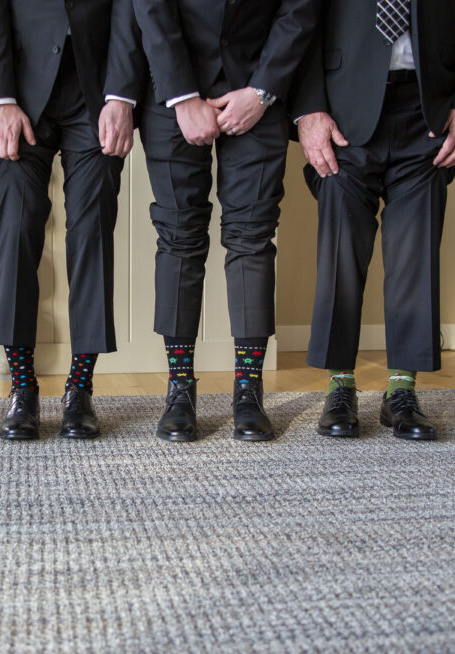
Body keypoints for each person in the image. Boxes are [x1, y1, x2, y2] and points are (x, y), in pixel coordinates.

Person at [291, 0, 455, 440]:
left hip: (430, 105)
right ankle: (340, 386)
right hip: (341, 104)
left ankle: (402, 389)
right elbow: (302, 14)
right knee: (341, 250)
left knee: (414, 252)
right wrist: (307, 109)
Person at [133, 0, 319, 442]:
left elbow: (298, 8)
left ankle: (248, 391)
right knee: (178, 237)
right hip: (171, 95)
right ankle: (180, 390)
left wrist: (262, 91)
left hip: (258, 92)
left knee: (253, 237)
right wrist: (182, 97)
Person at [0, 0, 146, 440]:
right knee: (15, 227)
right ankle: (22, 388)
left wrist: (122, 96)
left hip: (97, 94)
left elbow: (129, 10)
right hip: (19, 94)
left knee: (91, 232)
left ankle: (80, 387)